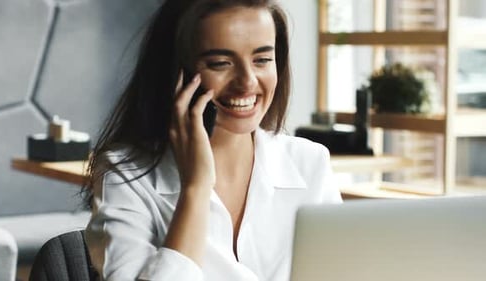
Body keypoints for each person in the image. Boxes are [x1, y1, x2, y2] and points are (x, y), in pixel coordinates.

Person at [84, 0, 342, 280]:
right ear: (175, 72)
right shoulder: (125, 174)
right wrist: (195, 189)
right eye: (221, 63)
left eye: (262, 60)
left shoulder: (310, 162)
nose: (247, 82)